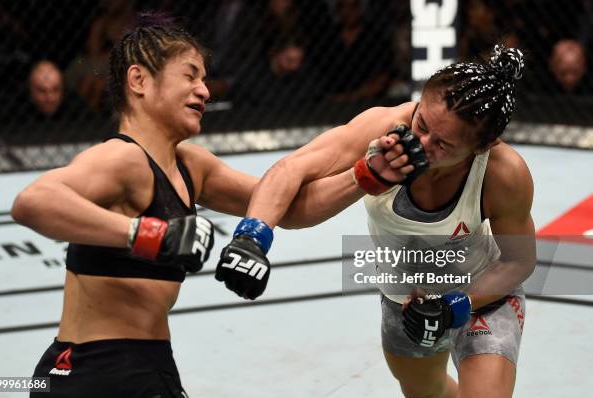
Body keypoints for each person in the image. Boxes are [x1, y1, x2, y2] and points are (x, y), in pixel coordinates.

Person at [216, 45, 536, 397]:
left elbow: (518, 259)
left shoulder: (503, 172)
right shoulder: (381, 127)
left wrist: (456, 305)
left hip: (482, 294)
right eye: (422, 124)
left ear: (483, 145)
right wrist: (252, 235)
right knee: (428, 393)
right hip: (403, 298)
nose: (422, 142)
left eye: (443, 144)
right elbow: (292, 168)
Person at [12, 15, 259, 397]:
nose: (204, 91)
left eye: (204, 79)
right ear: (139, 80)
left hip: (137, 366)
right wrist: (148, 234)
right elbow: (32, 202)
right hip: (101, 370)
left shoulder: (192, 167)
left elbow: (287, 202)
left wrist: (364, 175)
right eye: (190, 76)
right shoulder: (122, 159)